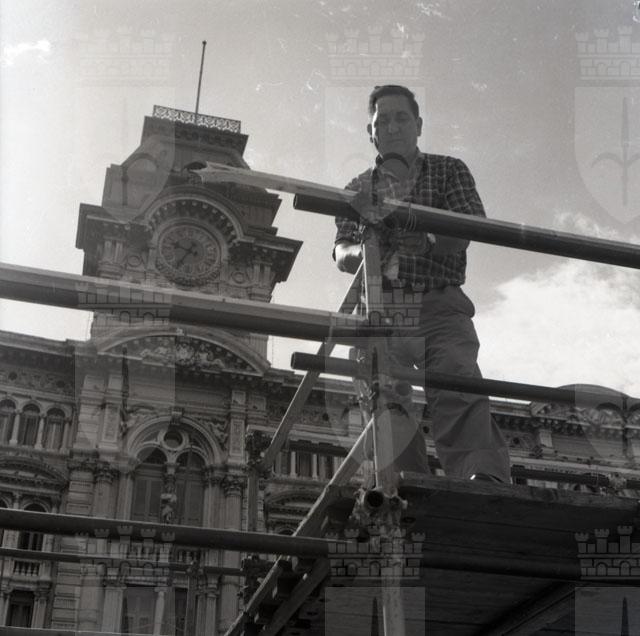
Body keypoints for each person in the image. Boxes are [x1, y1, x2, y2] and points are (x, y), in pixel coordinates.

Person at [333, 84, 511, 483]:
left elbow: (470, 226)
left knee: (456, 380)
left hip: (439, 304)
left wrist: (429, 239)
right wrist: (364, 253)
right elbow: (341, 250)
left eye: (401, 118)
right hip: (382, 309)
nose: (393, 127)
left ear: (418, 125)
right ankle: (404, 488)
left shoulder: (449, 170)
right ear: (371, 131)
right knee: (385, 400)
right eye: (383, 120)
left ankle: (481, 481)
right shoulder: (356, 188)